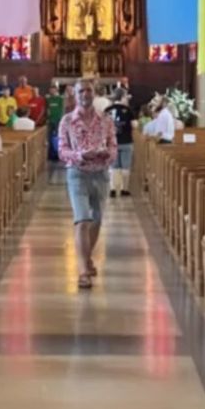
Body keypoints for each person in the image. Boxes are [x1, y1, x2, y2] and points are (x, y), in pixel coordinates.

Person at [57, 79, 117, 291]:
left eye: (89, 90)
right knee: (82, 219)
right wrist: (82, 155)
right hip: (77, 174)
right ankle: (83, 271)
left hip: (100, 174)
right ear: (75, 93)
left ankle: (87, 257)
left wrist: (105, 155)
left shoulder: (106, 120)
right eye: (81, 90)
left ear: (94, 93)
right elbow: (62, 151)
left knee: (97, 220)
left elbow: (113, 147)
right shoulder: (66, 121)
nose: (85, 94)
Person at [106, 88, 135, 198]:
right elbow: (134, 125)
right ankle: (124, 189)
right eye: (125, 96)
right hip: (126, 141)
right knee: (125, 167)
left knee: (113, 167)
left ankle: (113, 189)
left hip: (112, 142)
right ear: (122, 97)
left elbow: (103, 126)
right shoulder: (128, 110)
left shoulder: (108, 109)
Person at [45, 82, 64, 161]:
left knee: (57, 138)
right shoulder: (48, 99)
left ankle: (58, 154)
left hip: (57, 120)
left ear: (56, 90)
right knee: (49, 138)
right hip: (50, 120)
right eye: (50, 90)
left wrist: (59, 120)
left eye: (53, 90)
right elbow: (47, 109)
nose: (51, 91)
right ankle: (50, 154)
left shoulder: (60, 98)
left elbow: (61, 110)